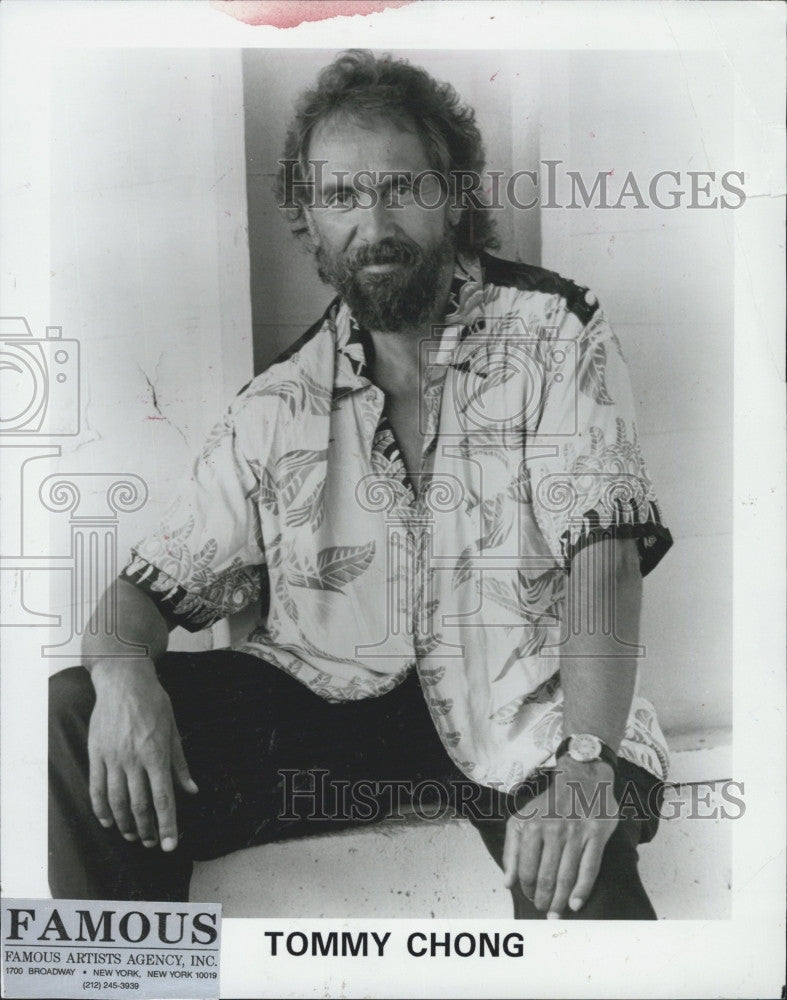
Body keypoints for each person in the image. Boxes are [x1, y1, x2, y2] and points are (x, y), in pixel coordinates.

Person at [49, 49, 674, 918]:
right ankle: (127, 978)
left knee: (586, 887)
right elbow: (135, 598)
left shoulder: (552, 331)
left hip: (525, 714)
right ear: (307, 221)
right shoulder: (276, 404)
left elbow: (602, 561)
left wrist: (585, 759)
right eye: (341, 197)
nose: (373, 223)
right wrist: (122, 678)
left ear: (453, 196)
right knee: (76, 713)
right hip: (334, 714)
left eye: (401, 188)